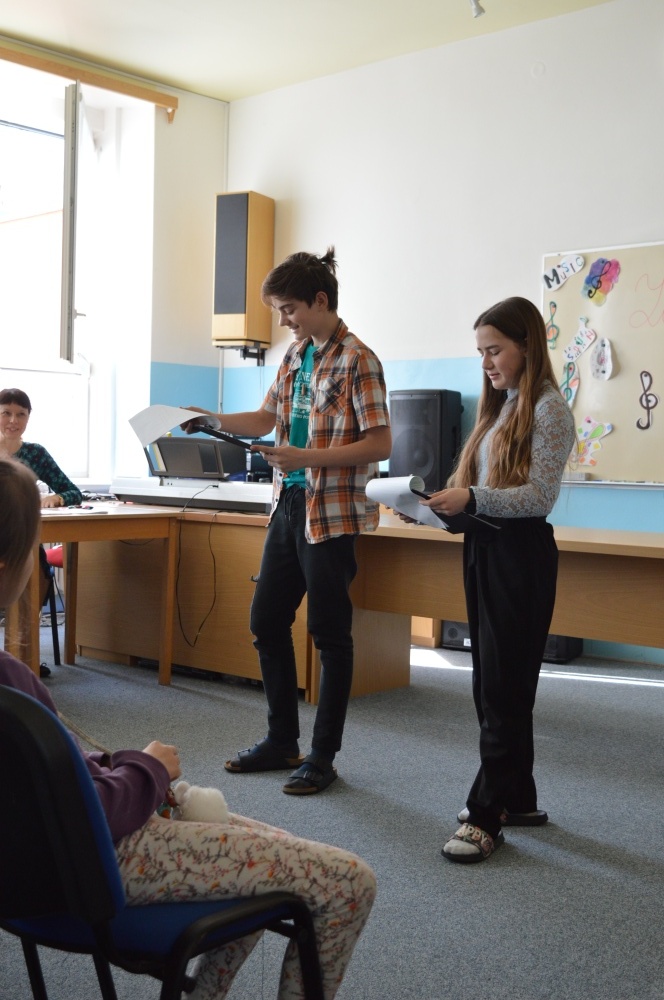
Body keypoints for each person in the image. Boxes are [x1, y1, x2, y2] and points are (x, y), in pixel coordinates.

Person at [0, 456, 377, 1000]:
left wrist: (117, 767)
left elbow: (41, 782)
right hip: (100, 864)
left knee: (279, 848)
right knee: (350, 881)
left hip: (26, 877)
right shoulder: (11, 685)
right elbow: (86, 815)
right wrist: (148, 770)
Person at [184, 247, 391, 795]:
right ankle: (282, 741)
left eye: (289, 309)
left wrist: (306, 458)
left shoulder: (359, 359)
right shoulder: (296, 356)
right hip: (288, 506)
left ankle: (323, 756)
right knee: (266, 622)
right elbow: (264, 419)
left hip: (332, 511)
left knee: (329, 634)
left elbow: (380, 443)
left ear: (320, 301)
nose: (283, 321)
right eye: (279, 311)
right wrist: (209, 418)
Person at [415, 297, 575, 863]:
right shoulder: (502, 407)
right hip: (486, 548)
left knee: (504, 689)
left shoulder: (549, 409)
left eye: (494, 350)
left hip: (520, 556)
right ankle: (518, 797)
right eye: (480, 352)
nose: (485, 363)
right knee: (494, 684)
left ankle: (486, 815)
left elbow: (539, 497)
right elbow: (488, 492)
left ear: (526, 346)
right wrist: (442, 508)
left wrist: (473, 498)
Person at [0, 387, 83, 677]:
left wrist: (57, 498)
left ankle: (23, 657)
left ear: (28, 418)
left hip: (21, 538)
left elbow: (73, 491)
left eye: (20, 414)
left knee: (40, 572)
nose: (13, 420)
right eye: (6, 413)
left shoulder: (36, 453)